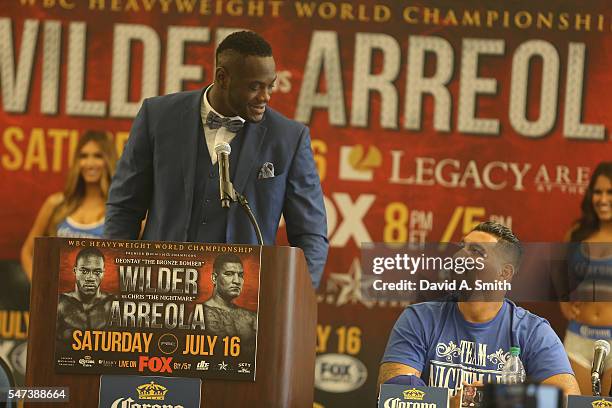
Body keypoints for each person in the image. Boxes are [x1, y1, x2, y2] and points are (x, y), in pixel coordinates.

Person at [104, 30, 328, 288]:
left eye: (270, 85)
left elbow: (310, 233)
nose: (265, 96)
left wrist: (294, 299)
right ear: (222, 77)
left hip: (245, 299)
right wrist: (115, 281)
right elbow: (124, 208)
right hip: (160, 293)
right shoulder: (157, 117)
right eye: (255, 86)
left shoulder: (289, 138)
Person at [378, 222, 580, 402]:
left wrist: (499, 399)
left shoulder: (534, 331)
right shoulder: (419, 318)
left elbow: (567, 398)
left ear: (505, 272)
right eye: (461, 247)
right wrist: (451, 404)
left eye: (476, 251)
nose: (459, 257)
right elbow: (394, 391)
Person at [21, 130, 117, 280]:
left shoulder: (119, 211)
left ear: (109, 160)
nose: (90, 163)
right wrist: (41, 289)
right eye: (83, 156)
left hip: (99, 300)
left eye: (98, 156)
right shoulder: (56, 204)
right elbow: (28, 252)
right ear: (77, 162)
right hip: (56, 300)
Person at [560, 162, 612, 395]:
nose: (602, 199)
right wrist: (564, 302)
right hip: (578, 339)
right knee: (577, 405)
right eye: (598, 192)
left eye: (610, 192)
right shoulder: (576, 234)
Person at [56, 247, 113, 344]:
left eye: (97, 272)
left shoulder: (112, 304)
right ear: (75, 271)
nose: (90, 278)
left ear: (103, 273)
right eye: (84, 271)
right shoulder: (59, 304)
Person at [204, 253, 256, 355]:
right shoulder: (201, 314)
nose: (237, 281)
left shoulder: (251, 317)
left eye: (240, 275)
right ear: (214, 278)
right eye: (229, 274)